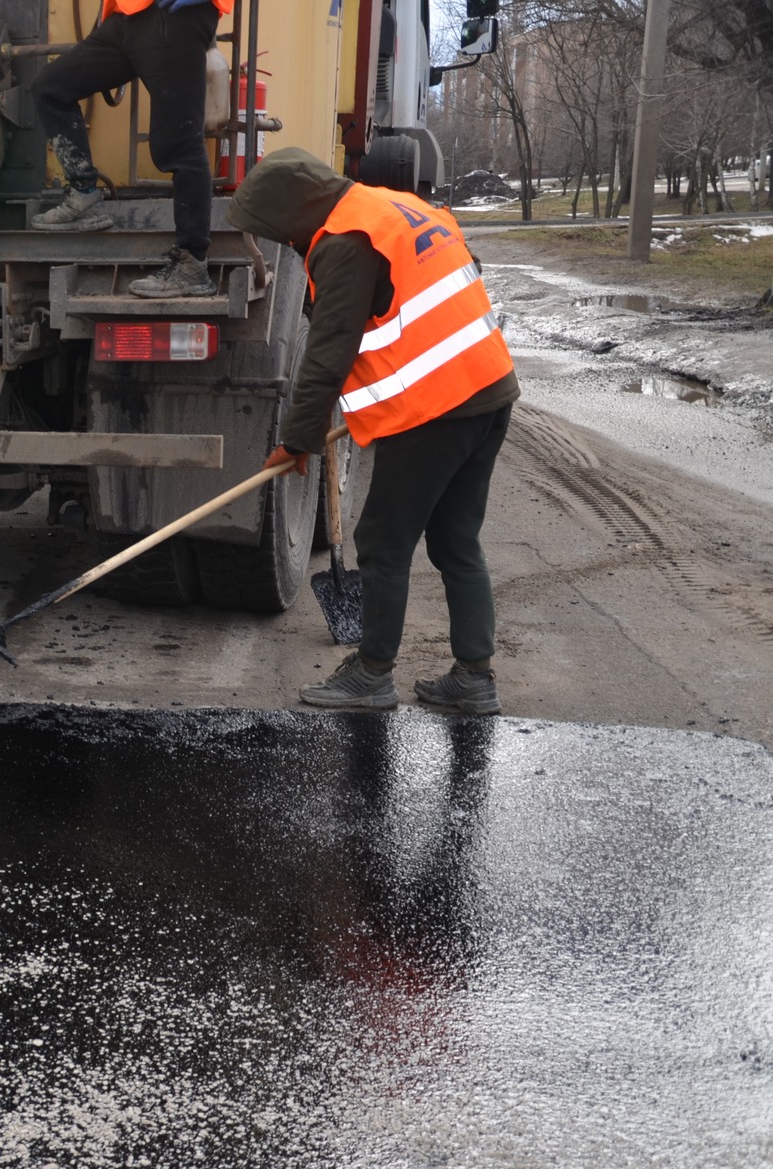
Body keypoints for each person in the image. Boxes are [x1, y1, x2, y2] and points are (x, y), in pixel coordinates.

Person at [228, 148, 520, 715]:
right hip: (489, 391)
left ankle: (372, 674)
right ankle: (474, 678)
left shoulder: (345, 241)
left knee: (384, 544)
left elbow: (327, 354)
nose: (282, 242)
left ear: (291, 212)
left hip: (436, 411)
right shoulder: (397, 208)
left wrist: (297, 441)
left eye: (275, 230)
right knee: (457, 540)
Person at [29, 0, 233, 299]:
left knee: (179, 144)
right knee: (50, 87)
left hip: (175, 17)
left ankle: (192, 265)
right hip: (129, 16)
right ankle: (83, 192)